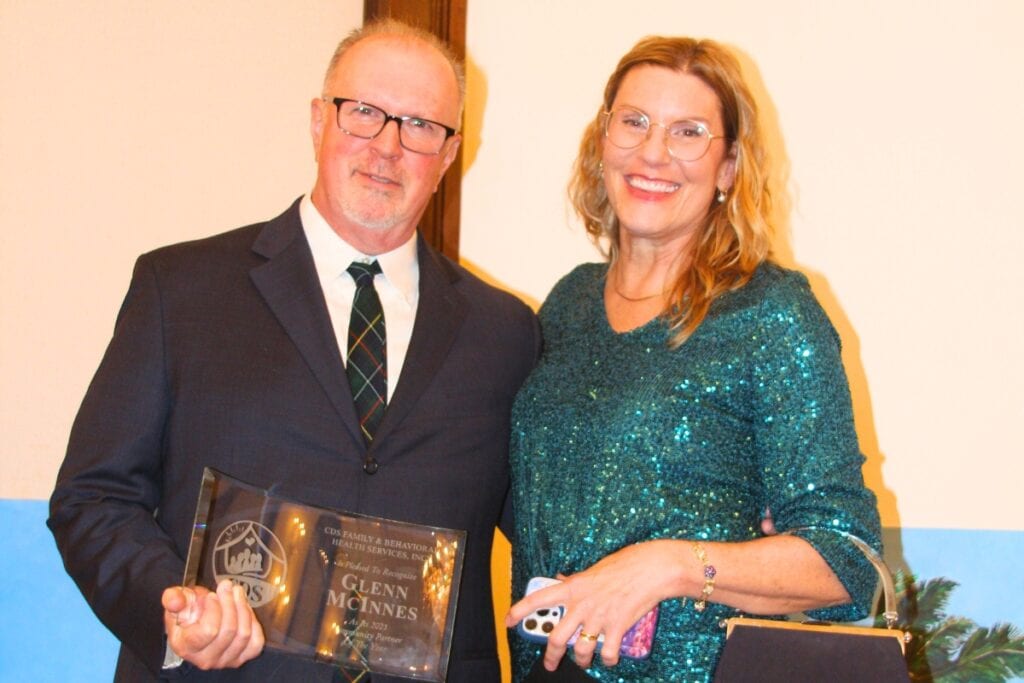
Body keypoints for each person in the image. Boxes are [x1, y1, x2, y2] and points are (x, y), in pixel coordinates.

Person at [48, 18, 539, 682]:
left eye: (421, 126)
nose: (388, 146)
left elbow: (545, 521)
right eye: (364, 112)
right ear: (318, 121)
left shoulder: (505, 332)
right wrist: (171, 607)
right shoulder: (182, 290)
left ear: (451, 153)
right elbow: (93, 496)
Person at [504, 36, 882, 682]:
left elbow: (847, 558)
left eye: (689, 132)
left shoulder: (771, 312)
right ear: (603, 139)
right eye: (635, 122)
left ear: (729, 167)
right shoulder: (567, 303)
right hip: (548, 667)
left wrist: (670, 564)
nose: (653, 152)